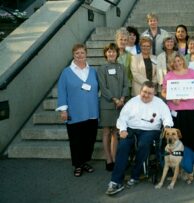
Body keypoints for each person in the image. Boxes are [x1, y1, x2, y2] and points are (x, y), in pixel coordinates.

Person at [105, 81, 174, 196]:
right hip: (132, 129)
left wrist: (167, 126)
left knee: (144, 143)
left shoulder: (159, 103)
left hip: (151, 130)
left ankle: (135, 175)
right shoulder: (132, 102)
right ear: (140, 90)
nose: (146, 95)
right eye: (144, 92)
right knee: (122, 146)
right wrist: (122, 130)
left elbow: (167, 117)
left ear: (154, 94)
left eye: (150, 93)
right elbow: (122, 118)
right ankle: (115, 181)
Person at [56, 43, 99, 177]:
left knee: (89, 140)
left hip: (91, 112)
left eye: (82, 53)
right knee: (76, 141)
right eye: (77, 53)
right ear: (73, 55)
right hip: (75, 113)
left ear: (86, 54)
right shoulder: (66, 72)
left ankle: (85, 161)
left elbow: (96, 89)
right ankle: (77, 165)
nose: (80, 55)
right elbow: (62, 91)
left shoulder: (92, 71)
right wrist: (63, 110)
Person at [161, 54, 194, 176]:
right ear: (171, 64)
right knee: (177, 138)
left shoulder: (192, 73)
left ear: (183, 61)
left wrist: (191, 94)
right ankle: (176, 165)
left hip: (191, 109)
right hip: (176, 110)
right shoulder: (169, 75)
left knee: (192, 136)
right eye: (174, 62)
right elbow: (163, 91)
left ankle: (191, 163)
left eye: (179, 60)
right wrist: (171, 98)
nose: (177, 63)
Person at [97, 43, 129, 171]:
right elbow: (103, 87)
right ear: (106, 54)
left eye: (113, 51)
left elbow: (126, 84)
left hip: (120, 104)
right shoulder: (102, 68)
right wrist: (114, 99)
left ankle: (115, 159)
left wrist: (122, 98)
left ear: (117, 53)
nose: (111, 53)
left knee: (116, 132)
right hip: (107, 103)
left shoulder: (122, 67)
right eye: (109, 51)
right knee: (106, 132)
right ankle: (108, 159)